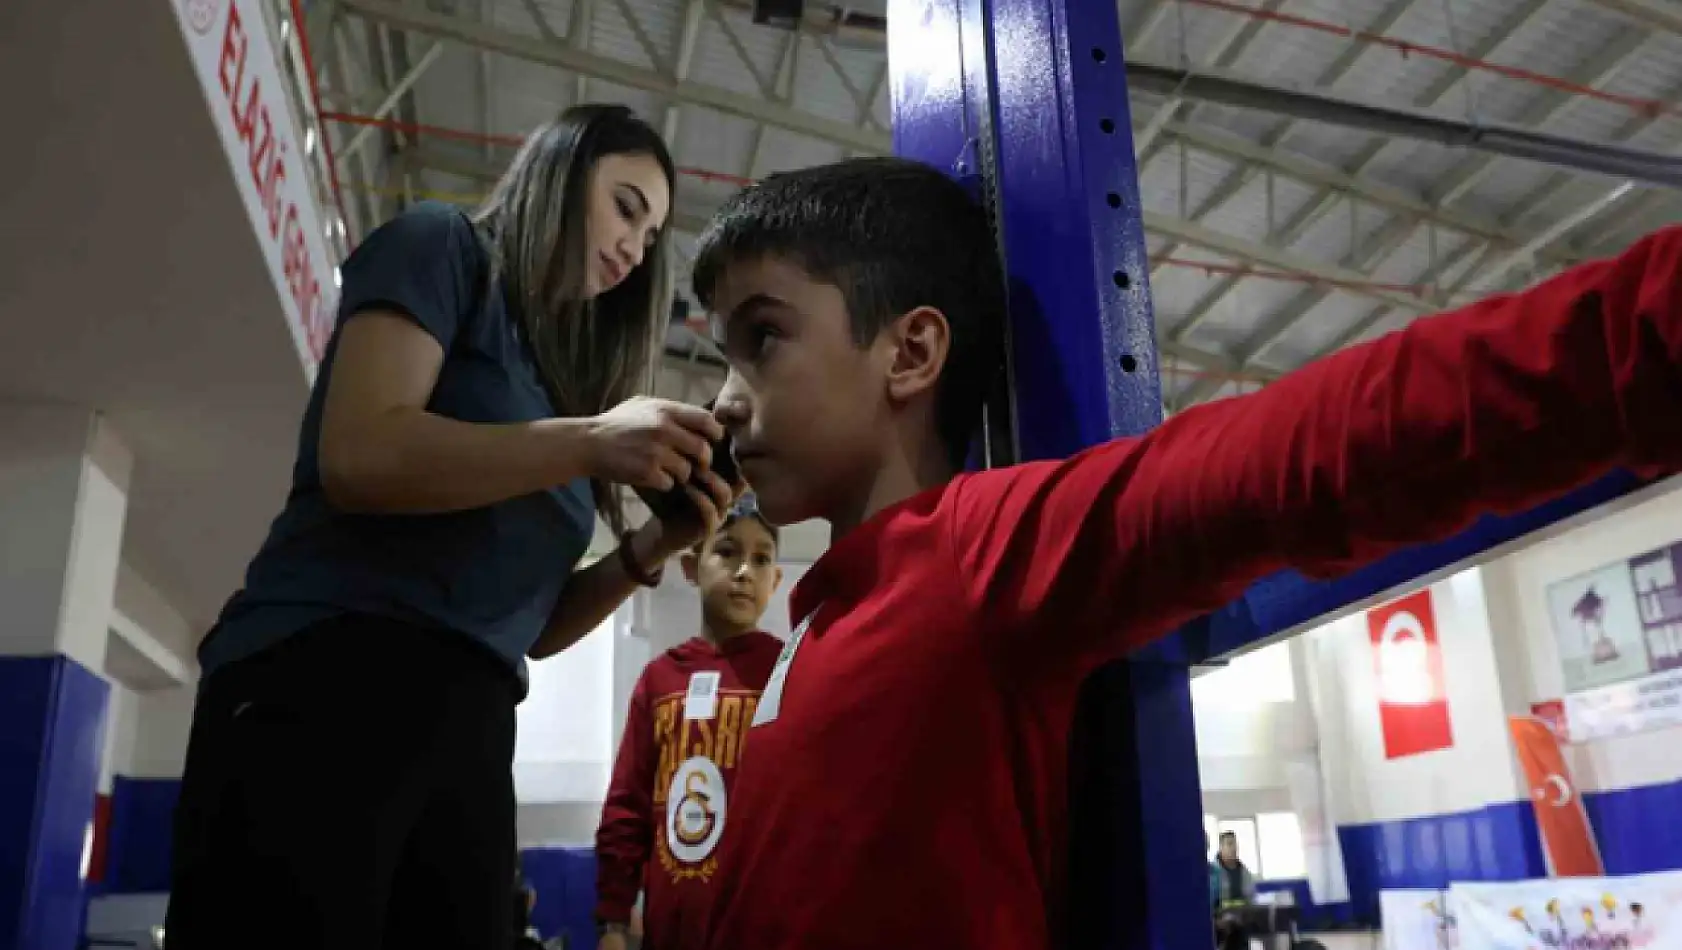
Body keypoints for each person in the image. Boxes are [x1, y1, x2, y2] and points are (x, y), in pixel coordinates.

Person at [684, 156, 1682, 949]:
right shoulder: (807, 627)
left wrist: (1648, 324)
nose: (725, 398)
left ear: (909, 352)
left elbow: (1321, 443)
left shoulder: (973, 550)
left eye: (760, 337)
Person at [164, 105, 738, 950]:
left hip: (468, 727)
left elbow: (533, 628)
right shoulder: (441, 248)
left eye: (652, 237)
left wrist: (653, 545)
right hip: (324, 681)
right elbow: (360, 455)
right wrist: (589, 441)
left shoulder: (554, 388)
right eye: (625, 207)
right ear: (560, 171)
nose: (635, 249)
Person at [588, 504, 785, 950]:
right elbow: (626, 805)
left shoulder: (788, 673)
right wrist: (613, 920)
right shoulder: (660, 680)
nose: (742, 572)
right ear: (692, 566)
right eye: (728, 552)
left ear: (775, 582)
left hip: (760, 925)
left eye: (761, 559)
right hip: (672, 927)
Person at [1210, 831, 1257, 950]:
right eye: (1230, 844)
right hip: (1220, 928)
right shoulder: (1212, 873)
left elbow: (1250, 897)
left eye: (1235, 844)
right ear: (1221, 847)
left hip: (1241, 925)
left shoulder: (1244, 871)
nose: (1234, 848)